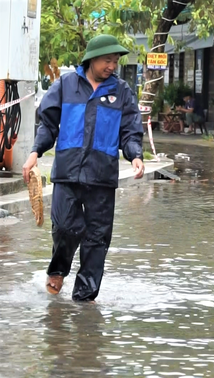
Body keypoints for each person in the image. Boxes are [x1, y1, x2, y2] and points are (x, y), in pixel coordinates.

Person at [22, 34, 145, 302]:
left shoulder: (121, 91)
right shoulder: (65, 85)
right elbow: (48, 125)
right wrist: (34, 153)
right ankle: (58, 270)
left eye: (115, 61)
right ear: (92, 59)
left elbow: (130, 132)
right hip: (68, 173)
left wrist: (135, 155)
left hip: (102, 176)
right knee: (66, 227)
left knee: (97, 239)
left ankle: (84, 303)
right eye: (107, 60)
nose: (112, 66)